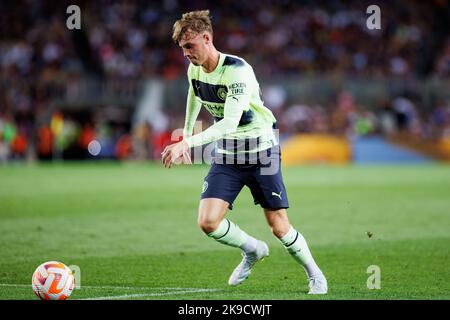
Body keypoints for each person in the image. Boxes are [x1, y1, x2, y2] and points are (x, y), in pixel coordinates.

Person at [162, 10, 327, 294]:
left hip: (262, 151)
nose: (186, 53)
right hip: (228, 154)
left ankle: (315, 274)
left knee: (278, 226)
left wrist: (187, 143)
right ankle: (252, 250)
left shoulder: (238, 70)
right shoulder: (194, 69)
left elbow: (229, 122)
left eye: (190, 46)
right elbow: (194, 94)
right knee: (208, 221)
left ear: (207, 38)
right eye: (182, 49)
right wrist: (186, 132)